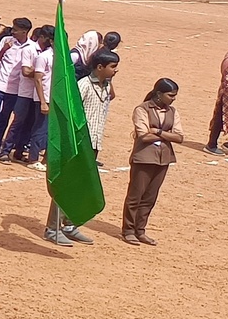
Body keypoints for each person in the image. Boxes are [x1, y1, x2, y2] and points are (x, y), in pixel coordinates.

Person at [46, 50, 117, 245]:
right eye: (112, 67)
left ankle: (69, 224)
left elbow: (111, 96)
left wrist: (108, 80)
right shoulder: (84, 85)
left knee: (81, 185)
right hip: (80, 144)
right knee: (67, 184)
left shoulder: (106, 85)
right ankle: (52, 228)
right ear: (100, 67)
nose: (115, 71)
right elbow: (72, 113)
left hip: (94, 142)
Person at [125, 78, 182, 246]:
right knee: (135, 196)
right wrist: (167, 135)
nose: (173, 99)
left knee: (150, 197)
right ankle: (128, 230)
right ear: (159, 94)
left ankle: (140, 230)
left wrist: (157, 131)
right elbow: (143, 136)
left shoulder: (172, 111)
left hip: (163, 159)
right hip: (143, 157)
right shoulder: (142, 109)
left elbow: (179, 137)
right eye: (170, 95)